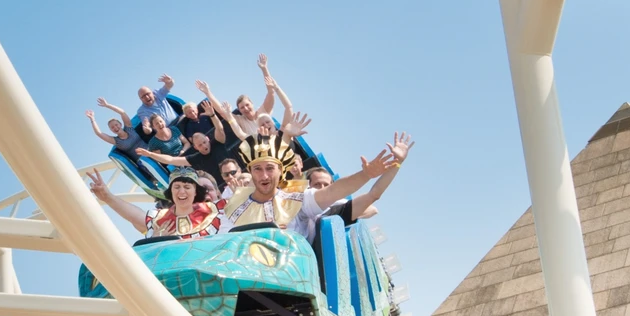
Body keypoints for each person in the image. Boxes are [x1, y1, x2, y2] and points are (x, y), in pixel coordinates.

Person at [221, 131, 395, 242]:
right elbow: (223, 242)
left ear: (281, 171)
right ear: (251, 172)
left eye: (270, 168)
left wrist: (366, 174)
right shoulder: (234, 208)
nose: (264, 175)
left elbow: (333, 191)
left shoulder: (296, 199)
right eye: (257, 169)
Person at [88, 167, 224, 239]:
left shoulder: (223, 211)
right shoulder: (161, 219)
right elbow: (135, 216)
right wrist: (107, 196)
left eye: (188, 187)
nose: (182, 192)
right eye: (177, 187)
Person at [314, 132, 413, 223]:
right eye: (317, 184)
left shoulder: (334, 211)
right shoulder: (306, 200)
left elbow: (373, 195)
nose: (322, 187)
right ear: (309, 185)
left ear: (332, 186)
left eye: (326, 185)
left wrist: (397, 162)